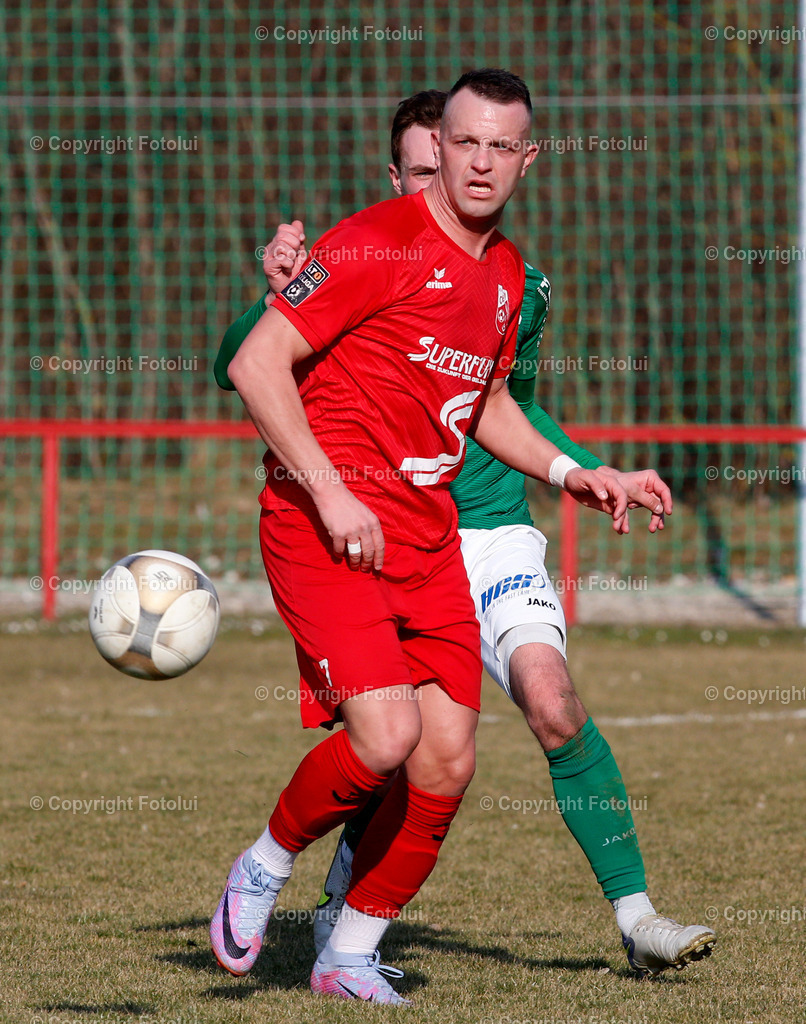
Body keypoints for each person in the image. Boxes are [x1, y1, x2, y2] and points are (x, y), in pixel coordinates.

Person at [216, 88, 716, 980]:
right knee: (385, 739)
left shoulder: (510, 276)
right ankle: (263, 865)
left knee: (445, 761)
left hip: (426, 536)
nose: (482, 161)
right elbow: (252, 362)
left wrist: (576, 472)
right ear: (437, 150)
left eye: (503, 146)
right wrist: (332, 495)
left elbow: (484, 405)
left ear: (532, 159)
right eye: (465, 143)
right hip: (325, 526)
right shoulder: (374, 239)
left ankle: (349, 956)